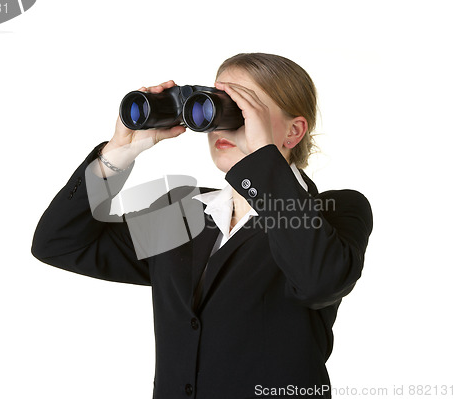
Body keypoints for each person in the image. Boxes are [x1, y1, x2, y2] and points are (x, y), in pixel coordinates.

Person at [32, 53, 373, 399]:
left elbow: (318, 281)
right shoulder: (183, 213)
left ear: (293, 131)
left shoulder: (333, 212)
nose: (222, 125)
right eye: (217, 105)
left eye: (242, 110)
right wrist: (118, 152)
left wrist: (262, 158)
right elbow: (60, 243)